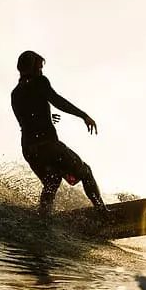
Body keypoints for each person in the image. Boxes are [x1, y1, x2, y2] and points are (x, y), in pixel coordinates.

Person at [11, 50, 109, 219]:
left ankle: (44, 218)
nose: (41, 71)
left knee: (52, 180)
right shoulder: (40, 82)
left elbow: (27, 119)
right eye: (40, 68)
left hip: (29, 150)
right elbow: (57, 101)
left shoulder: (15, 93)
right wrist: (83, 115)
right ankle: (103, 212)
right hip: (48, 145)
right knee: (86, 172)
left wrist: (47, 117)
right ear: (34, 69)